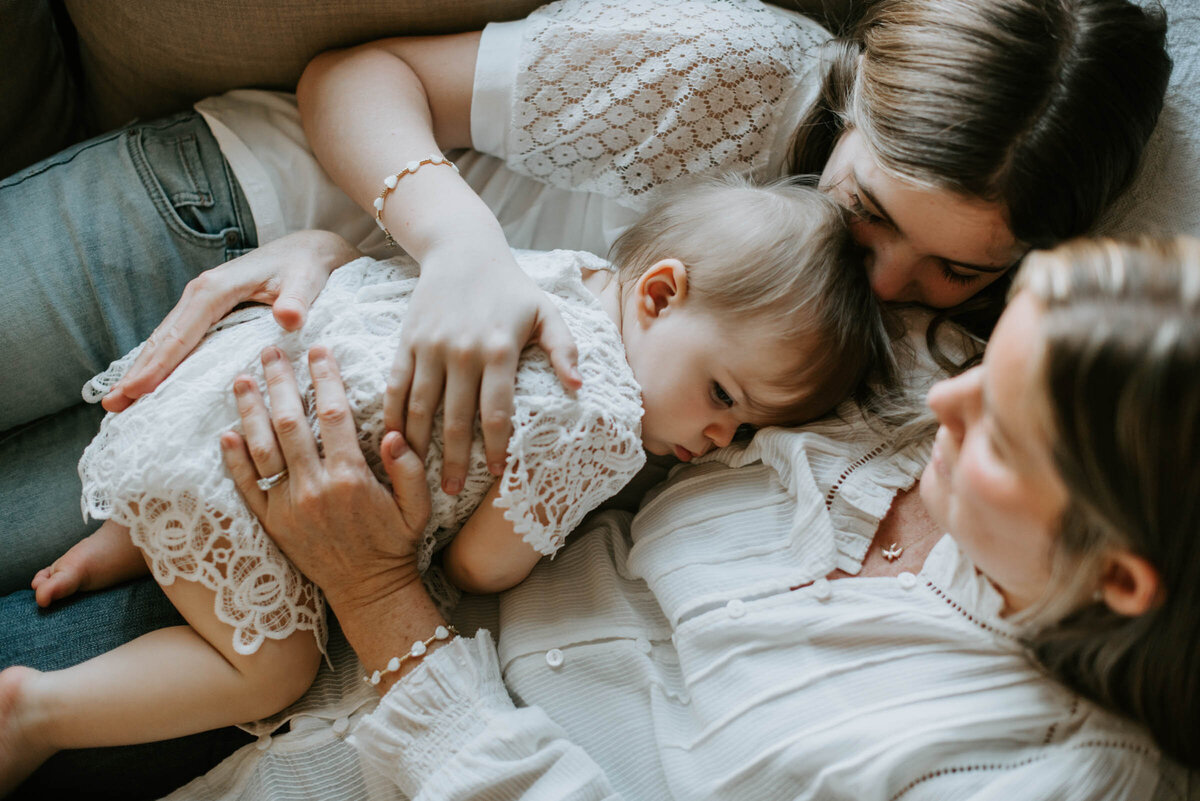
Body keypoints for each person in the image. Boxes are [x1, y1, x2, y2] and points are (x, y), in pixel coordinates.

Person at [0, 0, 1173, 793]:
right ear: (853, 100)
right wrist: (450, 248)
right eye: (867, 210)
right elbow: (362, 78)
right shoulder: (745, 70)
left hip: (301, 426)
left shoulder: (937, 373)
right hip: (251, 223)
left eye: (958, 266)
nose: (888, 281)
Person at [132, 233, 1196, 800]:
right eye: (987, 369)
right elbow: (643, 290)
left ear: (1119, 578)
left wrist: (380, 600)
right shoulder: (906, 387)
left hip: (303, 680)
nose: (946, 410)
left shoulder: (1057, 775)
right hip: (260, 586)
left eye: (1002, 433)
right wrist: (346, 264)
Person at [0, 176, 890, 792]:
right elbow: (480, 564)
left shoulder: (558, 274)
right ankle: (38, 709)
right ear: (659, 296)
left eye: (743, 431)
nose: (715, 437)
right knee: (271, 669)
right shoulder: (607, 420)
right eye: (724, 396)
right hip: (265, 478)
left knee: (228, 474)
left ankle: (111, 546)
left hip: (219, 392)